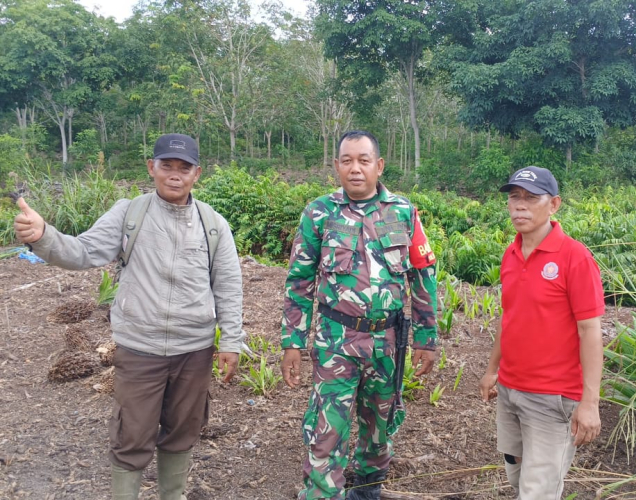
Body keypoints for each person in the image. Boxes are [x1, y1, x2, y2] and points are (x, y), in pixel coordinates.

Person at [13, 133, 243, 500]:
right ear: (151, 168)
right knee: (131, 434)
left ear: (197, 174)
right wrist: (44, 236)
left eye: (184, 168)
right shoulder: (129, 213)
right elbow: (83, 251)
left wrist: (231, 340)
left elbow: (228, 287)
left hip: (194, 349)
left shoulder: (213, 224)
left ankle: (174, 494)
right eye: (166, 165)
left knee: (184, 429)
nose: (175, 174)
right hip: (140, 348)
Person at [281, 130, 438, 500]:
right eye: (347, 161)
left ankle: (367, 492)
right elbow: (299, 282)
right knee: (326, 431)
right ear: (336, 166)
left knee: (379, 430)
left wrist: (426, 340)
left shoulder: (403, 211)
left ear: (379, 166)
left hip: (388, 342)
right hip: (336, 341)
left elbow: (423, 277)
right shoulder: (319, 212)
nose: (355, 168)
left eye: (363, 160)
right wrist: (292, 342)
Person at [479, 166, 605, 499]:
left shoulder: (575, 258)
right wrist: (493, 371)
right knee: (516, 472)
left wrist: (590, 402)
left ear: (554, 205)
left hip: (553, 398)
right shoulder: (511, 253)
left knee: (537, 492)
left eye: (531, 198)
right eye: (514, 197)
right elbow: (510, 318)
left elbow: (590, 330)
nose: (520, 206)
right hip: (510, 390)